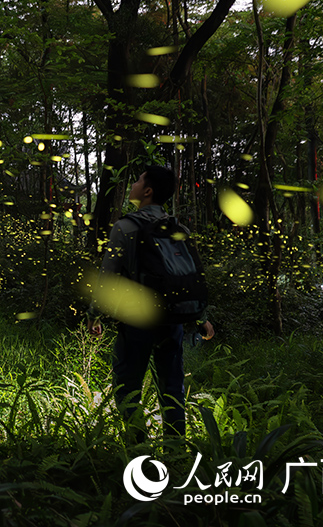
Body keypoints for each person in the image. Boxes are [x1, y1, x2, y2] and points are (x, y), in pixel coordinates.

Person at [100, 165, 214, 441]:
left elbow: (108, 277)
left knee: (127, 389)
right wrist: (201, 317)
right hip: (172, 319)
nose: (134, 184)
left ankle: (139, 451)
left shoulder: (125, 227)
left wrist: (96, 315)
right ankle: (175, 452)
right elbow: (189, 277)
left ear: (148, 191)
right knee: (172, 388)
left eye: (138, 180)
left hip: (136, 321)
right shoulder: (179, 229)